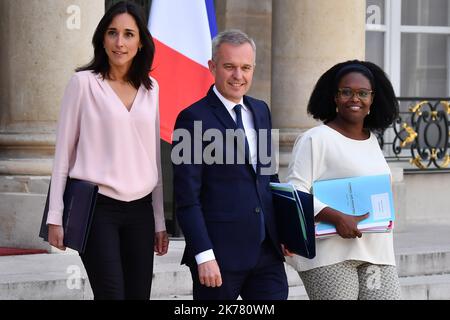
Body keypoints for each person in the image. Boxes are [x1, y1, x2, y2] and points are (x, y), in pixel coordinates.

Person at [46, 1, 169, 300]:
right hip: (97, 210)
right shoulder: (83, 84)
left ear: (141, 42)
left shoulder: (151, 88)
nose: (119, 42)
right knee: (112, 294)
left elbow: (152, 158)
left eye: (128, 34)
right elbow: (63, 153)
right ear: (102, 38)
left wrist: (159, 220)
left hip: (140, 211)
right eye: (112, 33)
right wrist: (55, 216)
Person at [172, 29, 288, 300]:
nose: (238, 76)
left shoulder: (261, 110)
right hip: (218, 258)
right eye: (229, 67)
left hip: (266, 254)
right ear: (213, 67)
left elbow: (269, 178)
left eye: (245, 67)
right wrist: (203, 255)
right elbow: (187, 198)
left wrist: (286, 231)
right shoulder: (191, 119)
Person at [285, 60, 401, 300]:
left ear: (373, 99)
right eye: (346, 92)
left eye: (362, 93)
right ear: (334, 98)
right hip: (330, 254)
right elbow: (295, 191)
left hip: (375, 251)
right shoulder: (316, 139)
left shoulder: (372, 141)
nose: (354, 99)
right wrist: (337, 217)